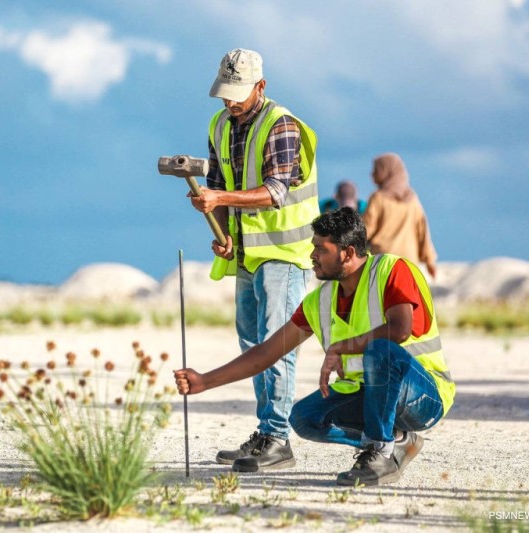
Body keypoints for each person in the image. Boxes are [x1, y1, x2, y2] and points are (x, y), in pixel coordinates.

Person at [174, 208, 455, 486]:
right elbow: (266, 353)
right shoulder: (319, 300)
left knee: (381, 349)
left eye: (321, 249)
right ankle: (397, 440)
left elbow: (400, 328)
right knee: (305, 418)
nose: (312, 256)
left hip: (423, 395)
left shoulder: (391, 269)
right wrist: (204, 381)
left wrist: (343, 347)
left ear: (346, 253)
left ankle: (380, 453)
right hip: (373, 396)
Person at [187, 48, 320, 472]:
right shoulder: (219, 124)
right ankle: (265, 432)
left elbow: (276, 190)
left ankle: (278, 438)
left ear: (260, 86)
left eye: (238, 94)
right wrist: (223, 235)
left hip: (285, 253)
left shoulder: (281, 124)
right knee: (251, 344)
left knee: (275, 345)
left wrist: (219, 198)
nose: (230, 102)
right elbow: (217, 184)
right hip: (247, 254)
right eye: (225, 94)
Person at [362, 153, 437, 279]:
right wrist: (429, 260)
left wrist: (348, 245)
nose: (372, 174)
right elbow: (422, 232)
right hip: (409, 263)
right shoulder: (412, 199)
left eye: (376, 169)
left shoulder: (378, 198)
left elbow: (366, 230)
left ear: (387, 171)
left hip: (383, 261)